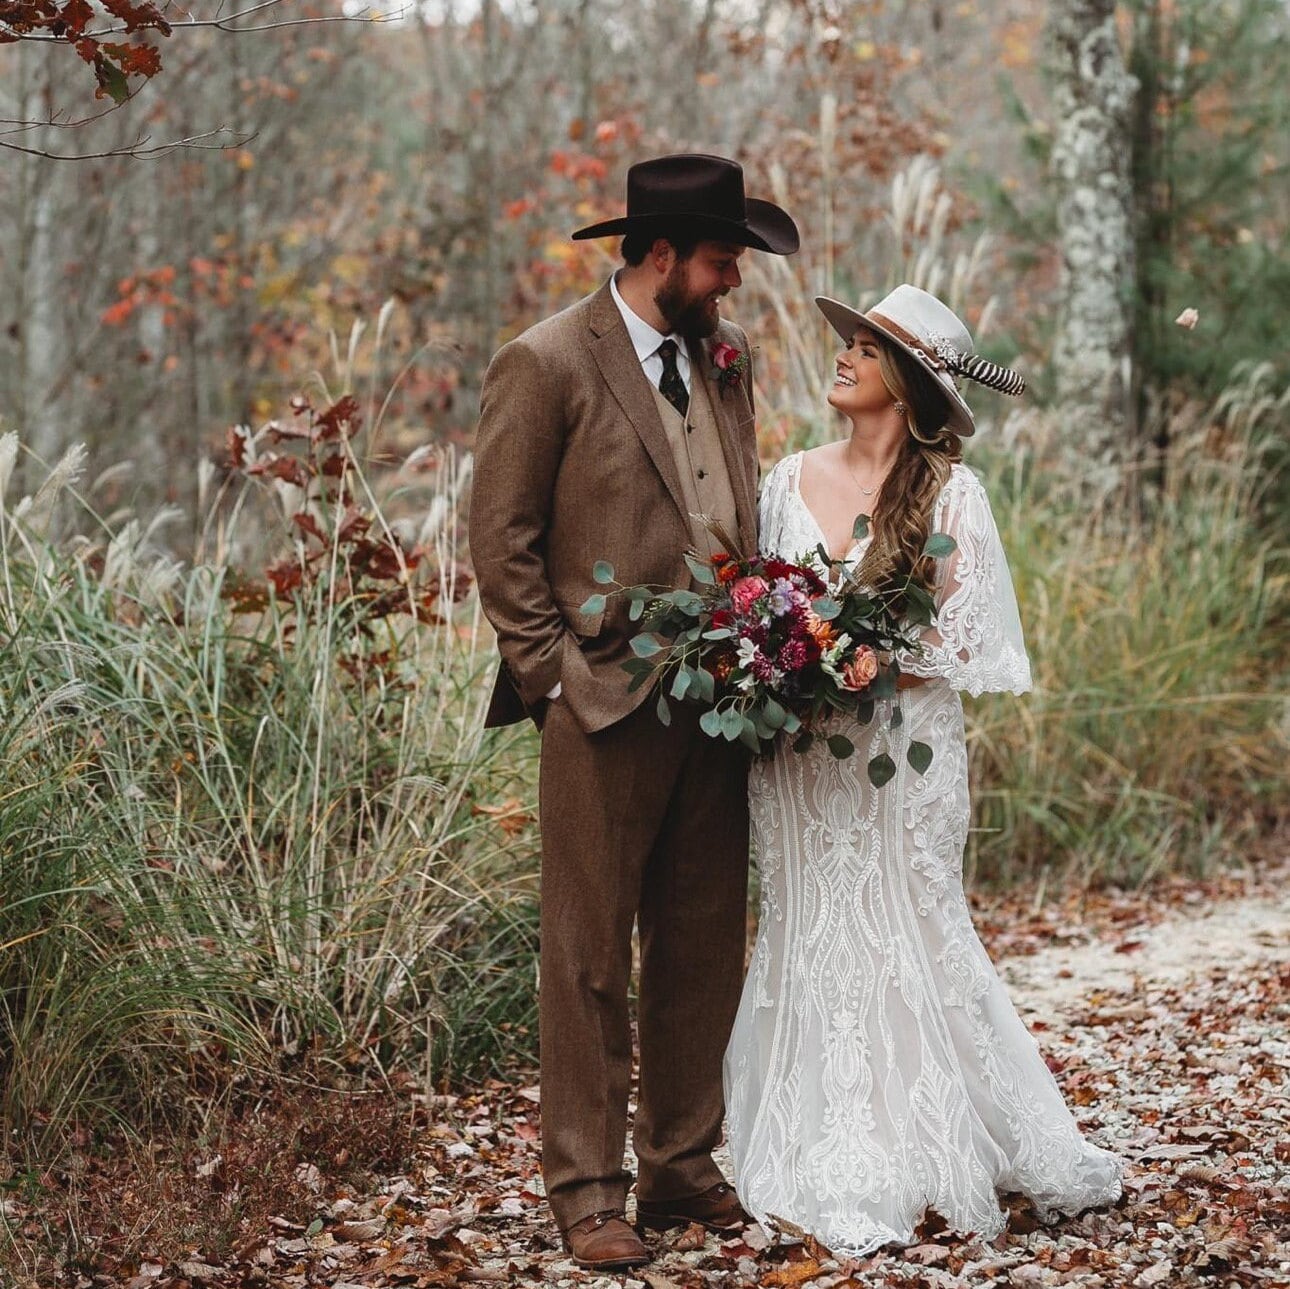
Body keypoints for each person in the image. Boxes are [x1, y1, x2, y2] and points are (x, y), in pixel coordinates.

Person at [723, 285, 1123, 1255]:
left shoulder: (952, 495)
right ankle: (813, 1130)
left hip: (903, 751)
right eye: (850, 342)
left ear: (906, 383)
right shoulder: (785, 480)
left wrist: (865, 657)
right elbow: (757, 606)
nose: (845, 355)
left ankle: (929, 1136)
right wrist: (779, 654)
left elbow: (974, 637)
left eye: (867, 348)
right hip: (802, 755)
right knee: (811, 920)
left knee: (912, 918)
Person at [469, 154, 799, 1271]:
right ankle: (586, 1189)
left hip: (720, 699)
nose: (735, 280)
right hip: (600, 703)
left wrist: (760, 640)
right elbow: (501, 535)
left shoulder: (723, 354)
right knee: (588, 957)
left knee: (703, 944)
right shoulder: (547, 360)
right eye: (722, 260)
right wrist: (553, 675)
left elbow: (730, 501)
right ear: (663, 254)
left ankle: (679, 1162)